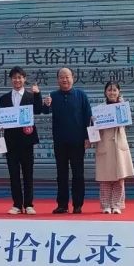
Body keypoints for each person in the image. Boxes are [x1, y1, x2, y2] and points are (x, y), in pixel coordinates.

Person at [42, 67, 92, 214]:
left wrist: (88, 137)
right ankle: (62, 205)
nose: (65, 79)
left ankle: (78, 204)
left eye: (67, 76)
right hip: (60, 142)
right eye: (62, 77)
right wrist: (46, 104)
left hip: (78, 142)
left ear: (73, 78)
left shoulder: (81, 95)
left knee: (78, 174)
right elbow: (45, 111)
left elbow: (88, 117)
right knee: (61, 174)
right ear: (58, 80)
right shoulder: (53, 96)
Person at [0, 66, 42, 215]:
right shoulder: (4, 98)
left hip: (27, 141)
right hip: (11, 141)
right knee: (14, 174)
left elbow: (38, 110)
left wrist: (38, 94)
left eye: (20, 77)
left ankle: (29, 204)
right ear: (11, 80)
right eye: (14, 78)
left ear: (24, 79)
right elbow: (3, 118)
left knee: (28, 173)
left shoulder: (31, 96)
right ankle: (17, 204)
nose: (17, 80)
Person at [93, 81, 134, 214]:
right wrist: (94, 121)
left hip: (118, 145)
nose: (112, 93)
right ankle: (106, 205)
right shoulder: (100, 109)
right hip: (104, 145)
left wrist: (122, 107)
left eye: (115, 90)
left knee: (119, 178)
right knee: (105, 178)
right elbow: (93, 129)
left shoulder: (123, 107)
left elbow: (127, 124)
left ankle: (117, 205)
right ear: (105, 92)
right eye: (109, 90)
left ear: (119, 92)